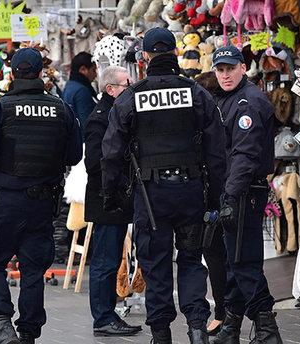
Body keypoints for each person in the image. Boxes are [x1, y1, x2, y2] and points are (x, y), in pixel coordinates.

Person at [101, 27, 226, 344]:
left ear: (144, 56)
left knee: (155, 265)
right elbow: (215, 150)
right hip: (189, 190)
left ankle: (160, 333)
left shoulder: (132, 97)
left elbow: (112, 151)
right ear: (175, 54)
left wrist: (112, 195)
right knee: (190, 260)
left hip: (151, 194)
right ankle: (197, 327)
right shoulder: (196, 93)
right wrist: (214, 196)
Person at [0, 48, 82, 344]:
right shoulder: (60, 108)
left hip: (6, 201)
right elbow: (74, 154)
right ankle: (29, 332)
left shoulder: (1, 108)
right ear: (41, 73)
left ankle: (2, 323)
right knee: (33, 269)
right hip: (43, 204)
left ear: (13, 73)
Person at [211, 45, 283, 344]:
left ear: (243, 67)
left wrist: (230, 195)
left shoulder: (247, 103)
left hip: (242, 191)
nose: (225, 74)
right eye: (220, 69)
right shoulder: (229, 99)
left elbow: (244, 155)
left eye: (230, 68)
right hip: (236, 190)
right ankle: (230, 328)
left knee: (243, 262)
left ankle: (267, 330)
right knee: (235, 261)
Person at [84, 65, 142, 337]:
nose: (130, 89)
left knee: (111, 258)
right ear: (111, 89)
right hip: (106, 199)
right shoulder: (101, 118)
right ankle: (103, 318)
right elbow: (94, 162)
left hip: (118, 197)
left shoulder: (118, 113)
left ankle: (108, 314)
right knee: (105, 261)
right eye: (125, 85)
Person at [194, 71, 226, 336]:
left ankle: (224, 314)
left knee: (214, 254)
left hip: (214, 193)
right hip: (225, 191)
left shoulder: (210, 118)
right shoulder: (222, 112)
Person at [62, 51, 98, 140]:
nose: (96, 74)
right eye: (93, 70)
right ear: (83, 70)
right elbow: (87, 123)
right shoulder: (81, 91)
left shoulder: (70, 85)